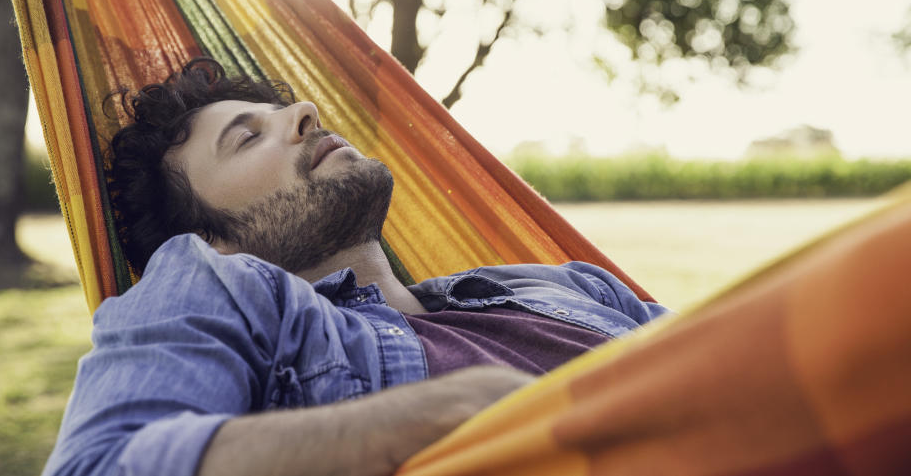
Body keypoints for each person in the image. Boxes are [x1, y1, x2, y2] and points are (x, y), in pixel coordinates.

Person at [43, 58, 669, 476]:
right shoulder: (221, 288)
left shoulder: (568, 283)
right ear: (214, 244)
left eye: (280, 113)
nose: (306, 110)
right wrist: (439, 414)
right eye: (246, 137)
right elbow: (98, 463)